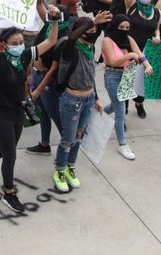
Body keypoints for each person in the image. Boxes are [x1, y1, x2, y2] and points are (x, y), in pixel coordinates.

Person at [0, 0, 62, 212]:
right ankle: (9, 193)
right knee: (11, 153)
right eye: (13, 43)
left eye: (20, 42)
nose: (18, 45)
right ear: (4, 45)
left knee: (8, 147)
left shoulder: (24, 56)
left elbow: (50, 41)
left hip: (17, 111)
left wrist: (54, 20)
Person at [52, 14, 111, 193]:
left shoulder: (90, 48)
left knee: (78, 137)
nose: (92, 33)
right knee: (68, 140)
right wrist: (92, 22)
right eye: (89, 30)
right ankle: (60, 171)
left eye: (94, 31)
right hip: (72, 101)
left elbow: (90, 75)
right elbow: (71, 38)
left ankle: (71, 167)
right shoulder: (70, 47)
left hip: (88, 99)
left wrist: (97, 98)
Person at [101, 15, 152, 160]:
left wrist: (147, 65)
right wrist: (129, 55)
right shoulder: (107, 41)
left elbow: (139, 53)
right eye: (121, 27)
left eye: (127, 28)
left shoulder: (129, 39)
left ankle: (91, 118)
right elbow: (112, 61)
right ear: (114, 26)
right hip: (113, 76)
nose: (124, 30)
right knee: (120, 111)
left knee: (114, 106)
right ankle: (122, 144)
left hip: (128, 76)